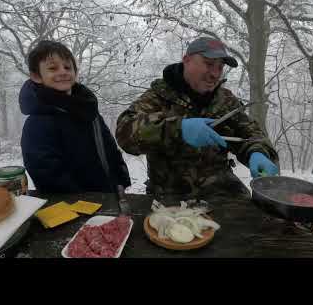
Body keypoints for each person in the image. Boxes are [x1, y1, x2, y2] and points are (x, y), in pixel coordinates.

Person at [115, 37, 279, 198]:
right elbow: (125, 133)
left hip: (223, 192)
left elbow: (249, 133)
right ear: (186, 60)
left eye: (220, 67)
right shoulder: (158, 96)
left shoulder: (225, 101)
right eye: (208, 64)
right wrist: (178, 129)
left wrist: (258, 153)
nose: (215, 74)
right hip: (169, 196)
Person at [19, 40, 131, 193]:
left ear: (75, 72)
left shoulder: (88, 110)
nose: (63, 72)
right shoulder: (38, 122)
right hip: (72, 206)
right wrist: (83, 201)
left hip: (107, 196)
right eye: (53, 68)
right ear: (37, 76)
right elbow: (45, 172)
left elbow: (108, 147)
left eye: (67, 67)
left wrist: (120, 179)